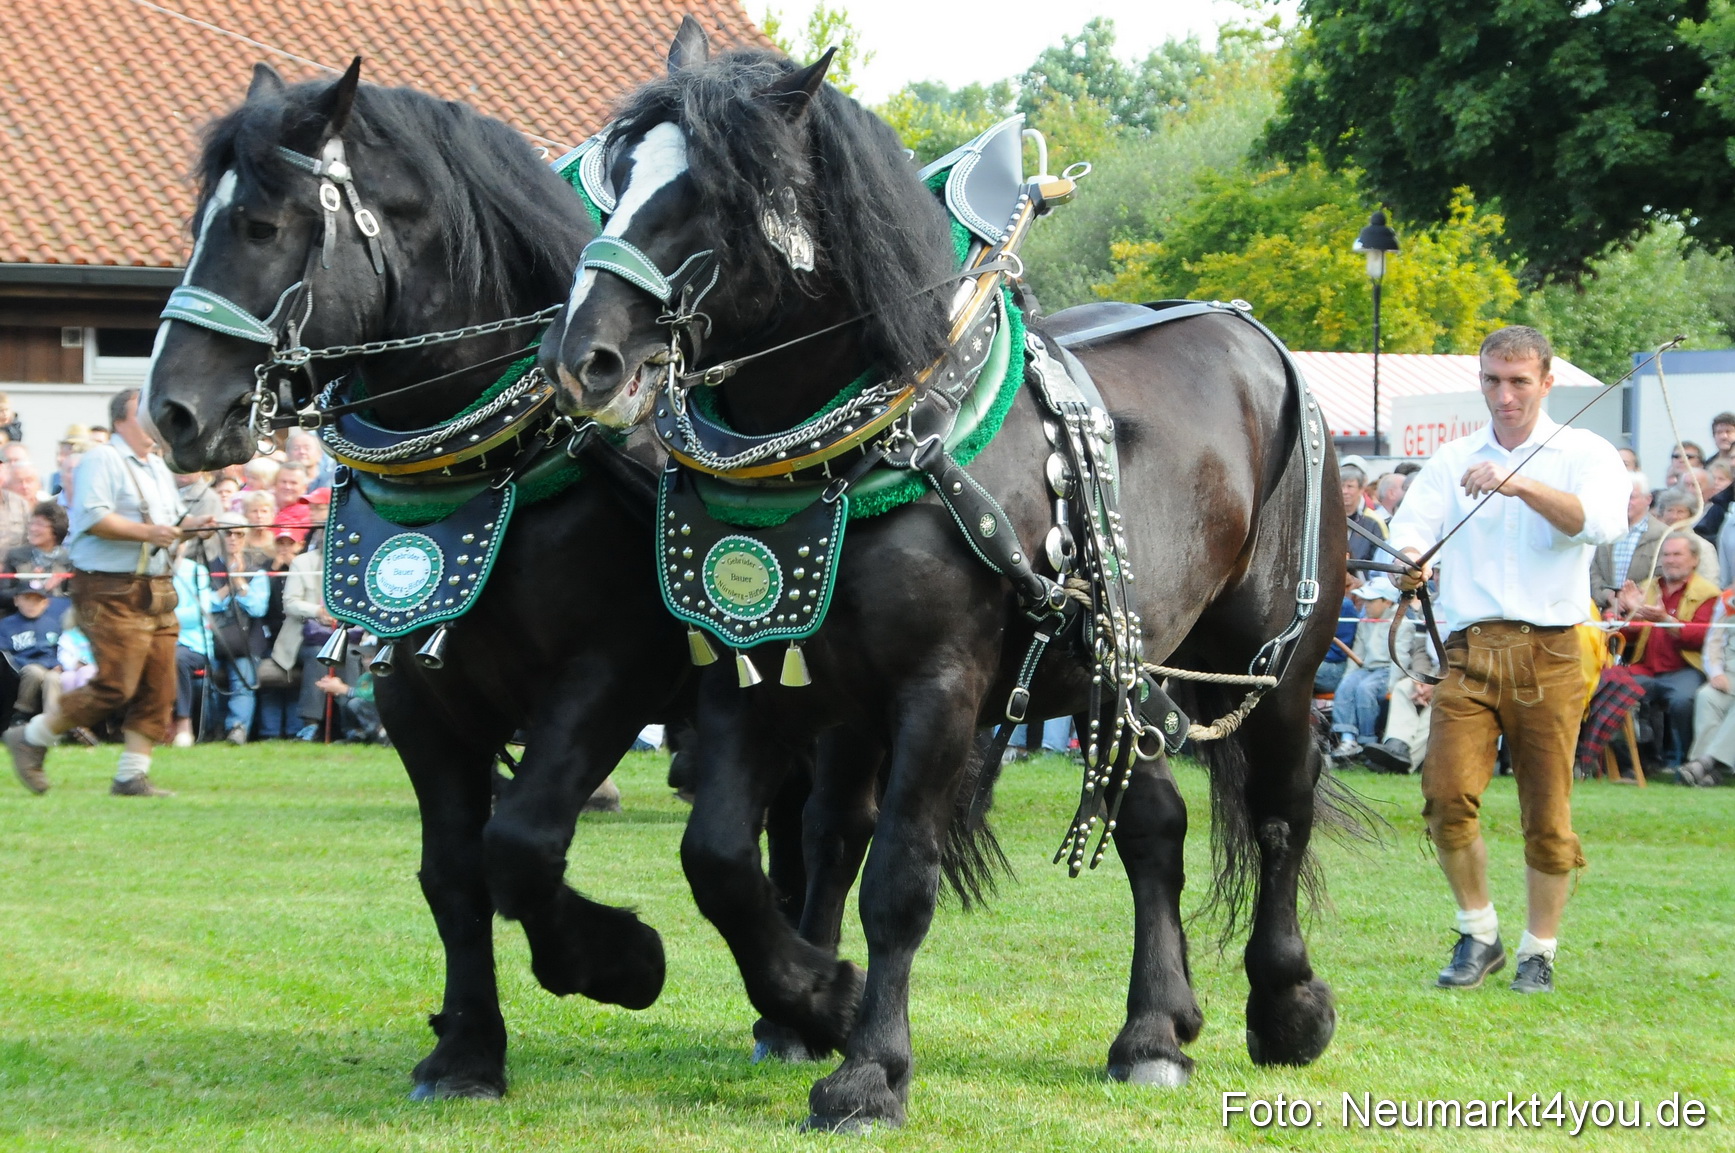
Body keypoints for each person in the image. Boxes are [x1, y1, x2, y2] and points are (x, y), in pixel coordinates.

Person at [1388, 325, 1628, 995]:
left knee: (1546, 813)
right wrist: (1409, 560)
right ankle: (1478, 932)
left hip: (1552, 650)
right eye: (1492, 379)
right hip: (1468, 650)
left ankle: (1538, 950)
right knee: (1443, 796)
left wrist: (1520, 485)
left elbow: (1599, 522)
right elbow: (1410, 528)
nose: (1504, 394)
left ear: (1546, 382)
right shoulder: (1451, 456)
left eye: (1519, 380)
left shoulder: (1584, 451)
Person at [2, 388, 215, 796]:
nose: (156, 420)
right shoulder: (102, 458)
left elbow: (164, 526)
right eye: (145, 413)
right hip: (109, 588)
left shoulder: (155, 463)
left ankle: (131, 775)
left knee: (159, 683)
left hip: (156, 587)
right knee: (117, 684)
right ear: (122, 420)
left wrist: (192, 527)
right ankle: (32, 736)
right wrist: (151, 532)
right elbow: (95, 518)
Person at [1614, 534, 1719, 770]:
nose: (1670, 560)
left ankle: (1682, 762)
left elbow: (1701, 638)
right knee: (1610, 686)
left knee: (1683, 700)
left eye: (1677, 554)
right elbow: (1627, 635)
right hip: (1646, 667)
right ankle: (1631, 762)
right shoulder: (1647, 588)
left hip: (1685, 668)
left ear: (1694, 560)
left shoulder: (1708, 593)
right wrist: (1630, 614)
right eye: (1666, 555)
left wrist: (1665, 620)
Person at [1327, 576, 1410, 762]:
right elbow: (1357, 653)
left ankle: (1367, 741)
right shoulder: (1365, 620)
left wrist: (1391, 685)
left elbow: (1401, 659)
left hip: (1386, 671)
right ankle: (1347, 739)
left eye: (1371, 601)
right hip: (1366, 669)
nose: (1366, 605)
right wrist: (1348, 677)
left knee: (1366, 690)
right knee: (1346, 686)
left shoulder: (1402, 624)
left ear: (1387, 601)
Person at [1677, 585, 1735, 786]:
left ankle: (1706, 764)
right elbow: (1714, 639)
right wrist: (1716, 672)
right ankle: (1705, 769)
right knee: (1707, 696)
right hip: (1730, 673)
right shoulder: (1729, 598)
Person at [1589, 473, 1667, 611]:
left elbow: (1661, 576)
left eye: (1631, 497)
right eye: (1620, 497)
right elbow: (1593, 571)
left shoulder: (1664, 535)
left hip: (1643, 614)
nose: (1625, 502)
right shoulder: (1604, 531)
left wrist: (1631, 598)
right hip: (1605, 611)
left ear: (1648, 499)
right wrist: (1608, 596)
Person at [0, 580, 69, 733]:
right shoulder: (5, 625)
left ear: (46, 603)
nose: (32, 605)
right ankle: (22, 713)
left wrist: (57, 664)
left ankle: (52, 722)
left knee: (53, 679)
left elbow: (63, 650)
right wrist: (35, 663)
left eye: (37, 600)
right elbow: (5, 655)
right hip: (20, 668)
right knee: (34, 671)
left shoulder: (54, 624)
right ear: (16, 601)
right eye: (27, 599)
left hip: (51, 667)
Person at [1654, 489, 1720, 582]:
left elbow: (1710, 580)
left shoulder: (1703, 546)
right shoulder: (1655, 541)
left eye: (1680, 511)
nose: (1674, 516)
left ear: (1691, 515)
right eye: (1670, 510)